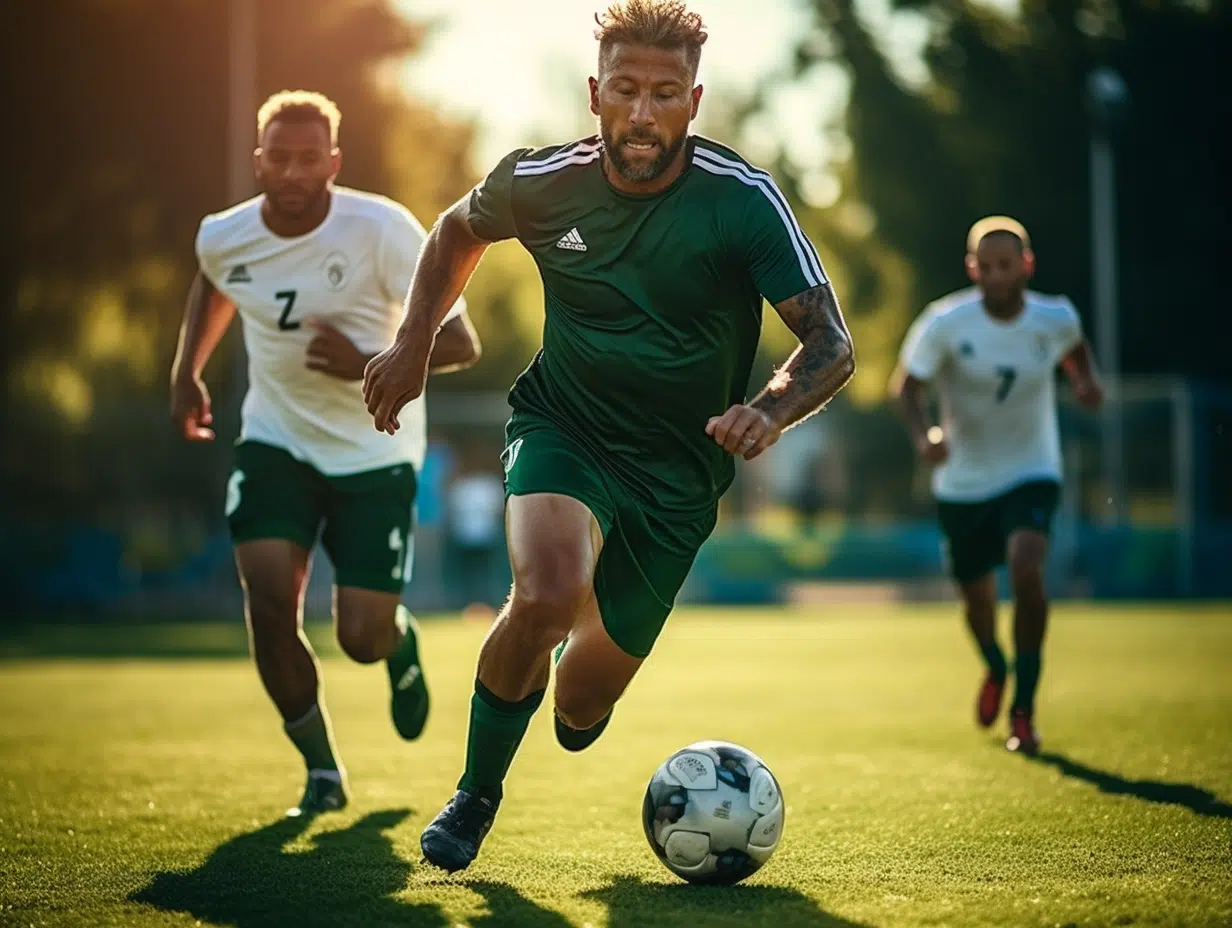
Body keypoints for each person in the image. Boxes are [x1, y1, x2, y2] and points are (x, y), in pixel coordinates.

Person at [363, 0, 856, 872]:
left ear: (693, 104)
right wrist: (411, 344)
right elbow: (455, 231)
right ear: (595, 94)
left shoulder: (740, 201)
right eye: (624, 90)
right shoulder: (542, 181)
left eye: (664, 94)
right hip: (566, 425)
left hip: (680, 478)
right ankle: (475, 794)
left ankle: (568, 685)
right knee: (545, 593)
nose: (641, 113)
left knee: (581, 707)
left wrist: (770, 410)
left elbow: (831, 343)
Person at [169, 90, 481, 816]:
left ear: (334, 162)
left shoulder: (384, 231)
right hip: (276, 442)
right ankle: (321, 772)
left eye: (310, 158)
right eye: (278, 156)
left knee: (361, 637)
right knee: (271, 604)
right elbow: (216, 281)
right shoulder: (224, 234)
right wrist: (187, 371)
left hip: (376, 450)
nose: (293, 171)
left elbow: (464, 345)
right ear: (258, 160)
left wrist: (370, 361)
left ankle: (397, 644)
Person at [890, 215, 1103, 756]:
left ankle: (1025, 711)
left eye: (1005, 265)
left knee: (1028, 568)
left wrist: (1084, 380)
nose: (995, 276)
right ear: (972, 269)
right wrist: (923, 439)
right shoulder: (945, 323)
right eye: (985, 267)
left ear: (1026, 265)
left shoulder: (1055, 317)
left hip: (1032, 469)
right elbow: (906, 389)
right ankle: (995, 664)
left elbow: (1074, 350)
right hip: (963, 482)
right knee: (977, 601)